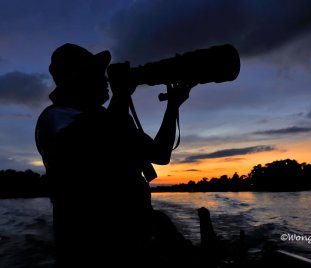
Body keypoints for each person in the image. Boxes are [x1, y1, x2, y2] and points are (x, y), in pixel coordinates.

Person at [35, 43, 196, 267]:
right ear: (79, 79)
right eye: (97, 74)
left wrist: (173, 105)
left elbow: (160, 154)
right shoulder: (56, 117)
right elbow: (95, 147)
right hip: (91, 248)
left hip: (134, 240)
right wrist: (120, 96)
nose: (106, 80)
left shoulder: (112, 117)